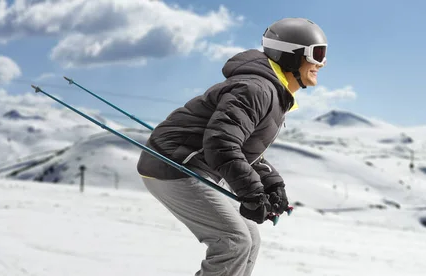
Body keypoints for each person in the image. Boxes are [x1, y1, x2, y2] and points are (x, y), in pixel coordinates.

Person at [136, 17, 327, 276]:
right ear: (290, 56)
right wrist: (251, 192)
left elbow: (244, 146)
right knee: (233, 241)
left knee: (249, 240)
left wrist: (272, 183)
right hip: (174, 165)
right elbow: (221, 143)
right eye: (317, 53)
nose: (322, 63)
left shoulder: (272, 92)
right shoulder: (256, 89)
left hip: (192, 165)